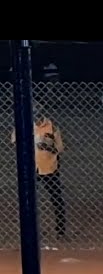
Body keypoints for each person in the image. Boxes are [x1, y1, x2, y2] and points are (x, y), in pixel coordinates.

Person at [10, 101, 68, 241]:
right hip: (30, 169)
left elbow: (59, 149)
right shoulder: (24, 124)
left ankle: (60, 230)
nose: (35, 117)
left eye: (37, 114)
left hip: (49, 168)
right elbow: (14, 141)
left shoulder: (51, 127)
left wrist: (47, 147)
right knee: (29, 200)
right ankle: (30, 231)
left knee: (56, 199)